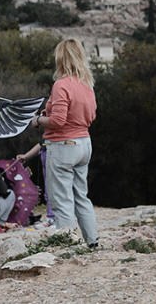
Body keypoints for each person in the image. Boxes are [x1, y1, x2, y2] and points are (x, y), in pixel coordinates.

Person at [31, 39, 99, 247]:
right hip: (84, 143)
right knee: (81, 197)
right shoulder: (87, 85)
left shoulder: (61, 85)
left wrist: (38, 120)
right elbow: (91, 115)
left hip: (63, 146)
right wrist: (49, 113)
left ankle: (67, 244)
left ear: (61, 58)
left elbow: (58, 122)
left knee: (61, 201)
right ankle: (92, 241)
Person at [16, 140, 54, 227]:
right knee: (49, 189)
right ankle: (51, 217)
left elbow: (36, 125)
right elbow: (43, 142)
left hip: (56, 153)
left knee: (53, 189)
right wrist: (26, 156)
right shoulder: (47, 136)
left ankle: (54, 218)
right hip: (49, 152)